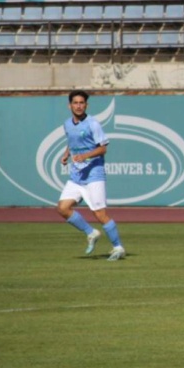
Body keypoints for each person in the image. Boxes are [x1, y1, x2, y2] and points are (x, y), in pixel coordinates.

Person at [56, 90, 125, 261]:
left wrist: (85, 156)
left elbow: (103, 148)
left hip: (94, 174)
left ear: (86, 105)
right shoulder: (67, 124)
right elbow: (72, 143)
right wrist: (66, 154)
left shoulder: (93, 124)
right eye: (75, 103)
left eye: (81, 103)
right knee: (63, 208)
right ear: (69, 105)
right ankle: (91, 232)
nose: (78, 106)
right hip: (77, 175)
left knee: (99, 214)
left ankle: (118, 247)